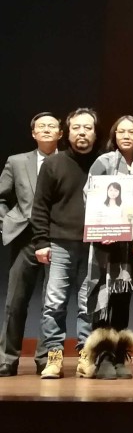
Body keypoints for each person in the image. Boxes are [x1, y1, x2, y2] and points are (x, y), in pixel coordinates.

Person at [31, 108, 101, 379]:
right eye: (76, 128)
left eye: (87, 128)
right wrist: (41, 242)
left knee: (87, 305)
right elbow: (40, 207)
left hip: (94, 244)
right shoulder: (54, 163)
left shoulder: (103, 163)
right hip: (59, 244)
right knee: (54, 304)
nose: (82, 132)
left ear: (95, 132)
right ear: (67, 132)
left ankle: (85, 357)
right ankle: (54, 359)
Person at [80, 115, 133, 380]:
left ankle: (119, 355)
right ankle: (102, 356)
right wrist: (99, 227)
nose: (126, 136)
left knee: (122, 295)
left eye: (132, 132)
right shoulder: (104, 162)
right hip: (106, 241)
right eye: (121, 131)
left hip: (130, 243)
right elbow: (89, 195)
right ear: (114, 135)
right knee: (103, 294)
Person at [0, 112, 62, 377]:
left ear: (61, 133)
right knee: (16, 301)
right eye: (41, 127)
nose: (47, 130)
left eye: (52, 126)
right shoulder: (16, 162)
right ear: (33, 133)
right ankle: (7, 358)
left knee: (53, 303)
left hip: (58, 239)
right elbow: (1, 197)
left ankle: (45, 359)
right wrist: (6, 222)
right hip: (25, 238)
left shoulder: (68, 161)